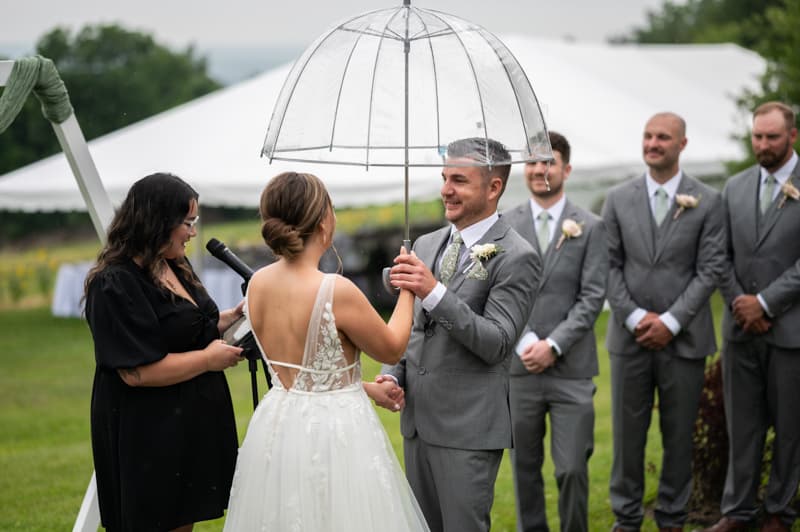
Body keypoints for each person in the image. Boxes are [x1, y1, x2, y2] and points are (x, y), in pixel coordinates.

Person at [222, 171, 429, 531]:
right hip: (336, 433)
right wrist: (409, 289)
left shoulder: (257, 284)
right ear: (323, 221)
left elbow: (304, 380)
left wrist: (369, 388)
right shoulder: (335, 289)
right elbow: (393, 347)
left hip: (278, 427)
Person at [380, 137, 541, 532]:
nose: (445, 190)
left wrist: (434, 292)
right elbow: (414, 326)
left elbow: (497, 343)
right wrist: (392, 374)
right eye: (444, 177)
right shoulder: (426, 243)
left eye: (459, 180)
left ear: (493, 188)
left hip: (468, 428)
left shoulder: (517, 256)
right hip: (418, 420)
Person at [84, 173, 245, 532]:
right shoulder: (114, 283)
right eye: (187, 223)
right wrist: (207, 360)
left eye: (195, 222)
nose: (192, 232)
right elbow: (136, 371)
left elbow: (179, 328)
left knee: (180, 520)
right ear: (157, 221)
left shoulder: (171, 264)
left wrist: (230, 318)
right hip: (148, 429)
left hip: (186, 420)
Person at [601, 112, 725, 531]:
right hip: (629, 337)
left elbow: (710, 269)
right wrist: (636, 316)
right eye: (648, 136)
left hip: (684, 339)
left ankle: (672, 518)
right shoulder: (617, 199)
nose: (653, 143)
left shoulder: (708, 200)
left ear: (682, 145)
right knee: (626, 437)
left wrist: (671, 321)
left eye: (663, 138)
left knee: (679, 436)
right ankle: (626, 518)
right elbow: (609, 265)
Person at [503, 131, 608, 532]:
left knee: (571, 469)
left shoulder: (591, 226)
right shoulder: (505, 225)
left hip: (572, 369)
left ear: (566, 168)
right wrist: (527, 342)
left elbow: (593, 296)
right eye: (531, 162)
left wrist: (554, 344)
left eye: (548, 161)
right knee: (524, 470)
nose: (539, 169)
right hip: (520, 369)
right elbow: (501, 294)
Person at [706, 101, 800, 532]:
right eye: (757, 137)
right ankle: (737, 511)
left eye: (772, 137)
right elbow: (718, 254)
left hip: (790, 328)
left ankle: (780, 511)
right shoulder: (735, 187)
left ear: (792, 137)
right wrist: (742, 303)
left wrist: (765, 304)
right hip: (741, 329)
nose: (762, 145)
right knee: (741, 425)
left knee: (790, 425)